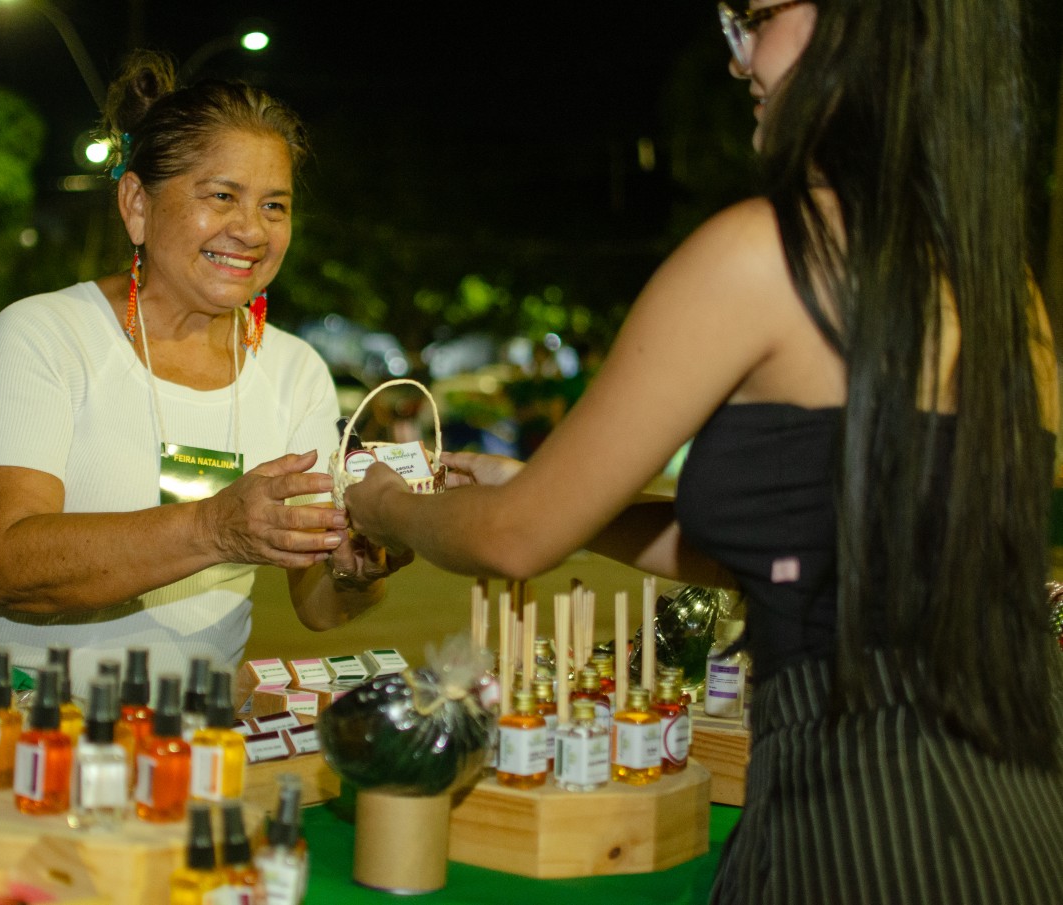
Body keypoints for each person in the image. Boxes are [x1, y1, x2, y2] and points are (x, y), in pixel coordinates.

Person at [346, 2, 1063, 902]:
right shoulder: (1003, 285)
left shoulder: (768, 253)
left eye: (754, 18)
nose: (739, 60)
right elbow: (809, 555)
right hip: (1016, 811)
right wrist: (558, 490)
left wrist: (379, 500)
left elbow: (510, 539)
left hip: (857, 816)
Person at [0, 51, 405, 694]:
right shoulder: (46, 337)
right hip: (19, 711)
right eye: (222, 196)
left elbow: (317, 606)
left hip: (195, 723)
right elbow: (4, 565)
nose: (250, 230)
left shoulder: (296, 370)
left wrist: (356, 569)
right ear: (136, 202)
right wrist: (216, 527)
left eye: (275, 206)